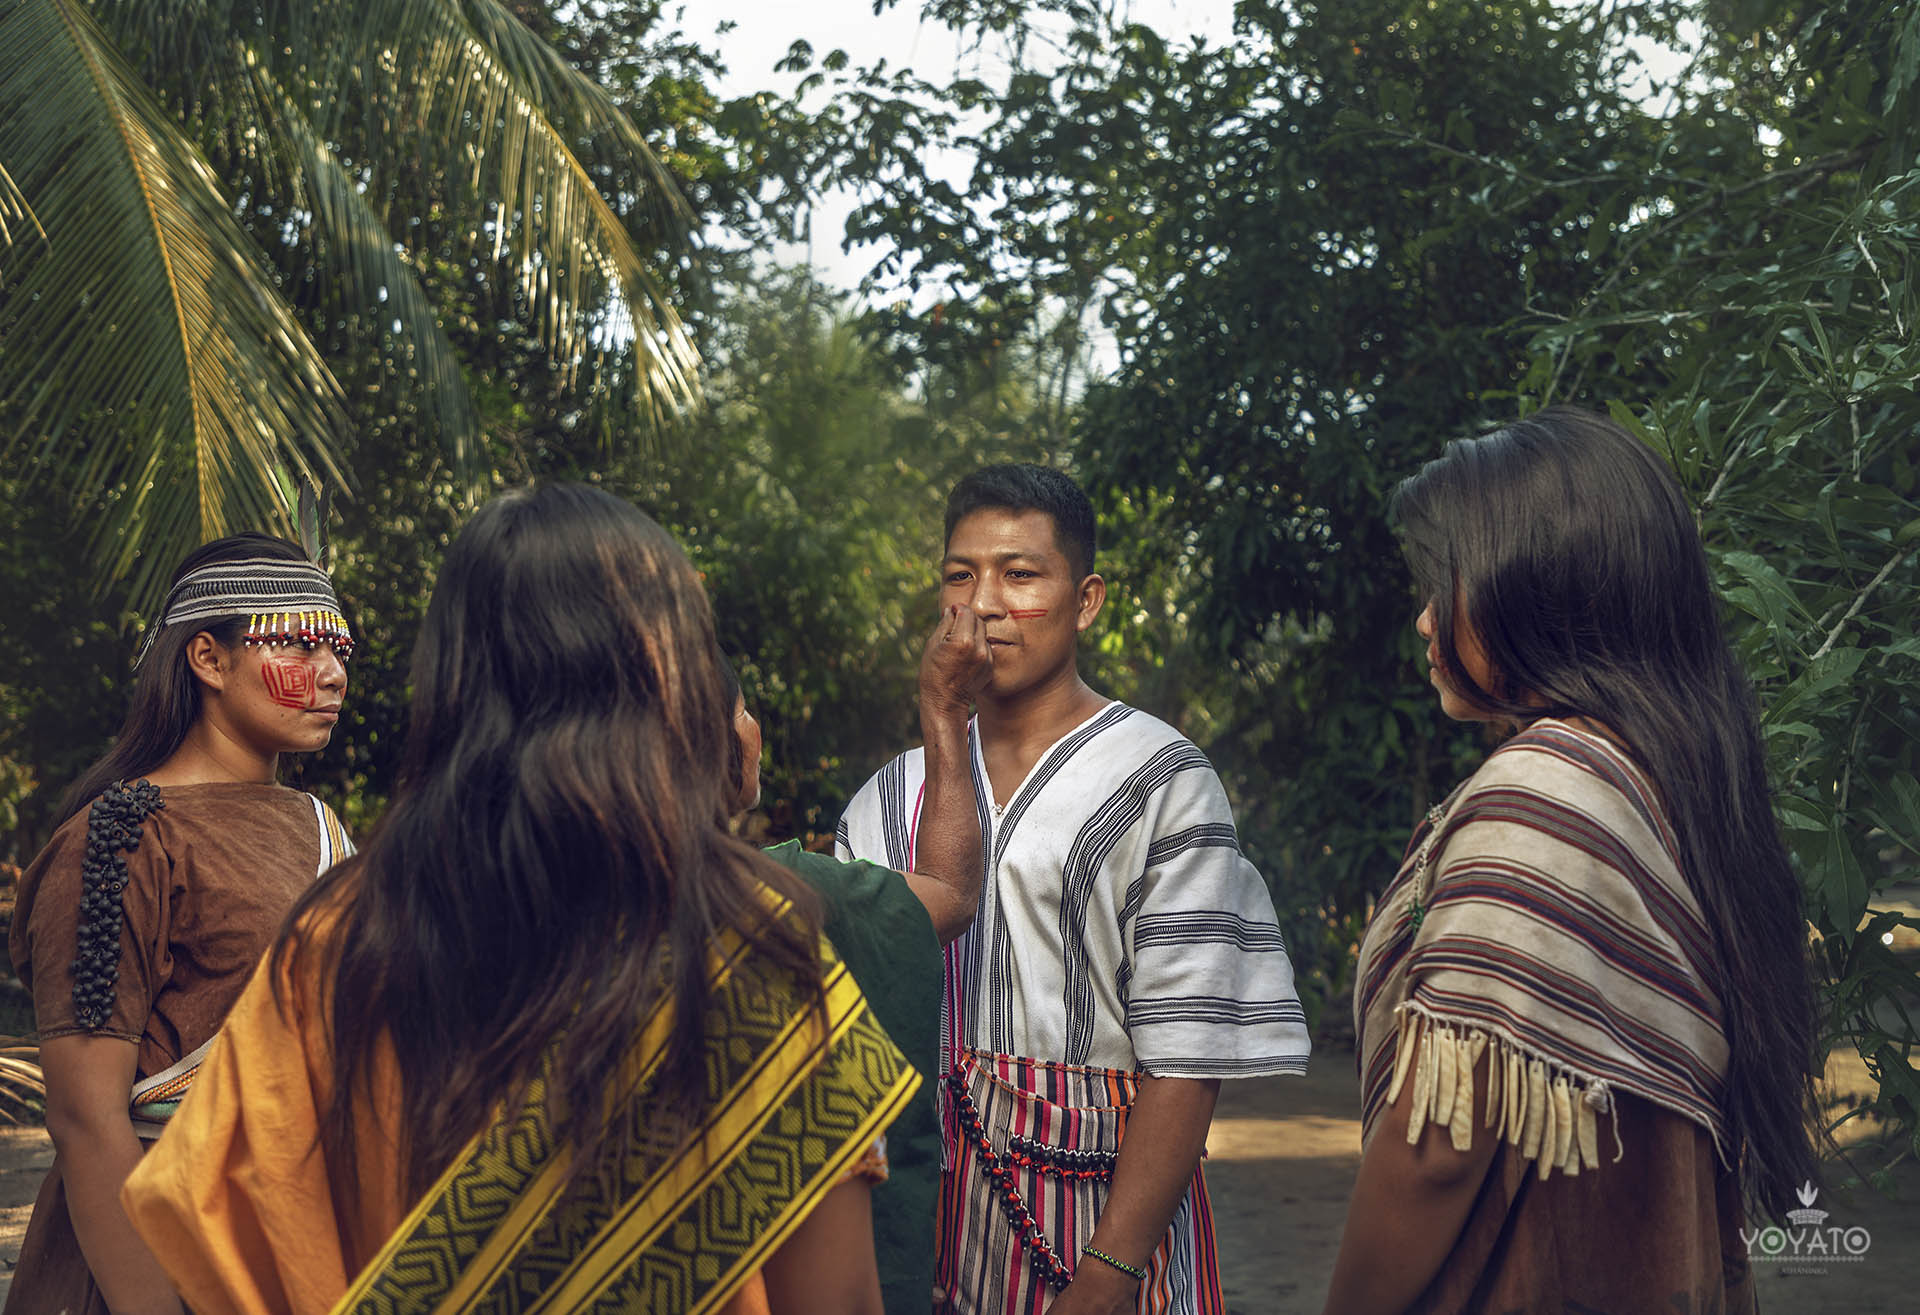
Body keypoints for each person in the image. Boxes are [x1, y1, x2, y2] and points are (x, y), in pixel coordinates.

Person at [121, 484, 921, 1315]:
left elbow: (237, 1241)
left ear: (453, 679)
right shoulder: (748, 946)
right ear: (666, 678)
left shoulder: (331, 939)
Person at [1323, 407, 1820, 1314]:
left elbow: (1437, 1146)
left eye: (1448, 583)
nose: (1425, 618)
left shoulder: (1545, 793)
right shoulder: (1666, 775)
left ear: (1541, 588)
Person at [838, 464, 1312, 1315]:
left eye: (1020, 575)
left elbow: (1186, 1051)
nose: (983, 603)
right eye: (960, 575)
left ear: (1085, 599)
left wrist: (1108, 1275)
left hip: (1095, 1231)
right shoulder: (883, 799)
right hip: (913, 1238)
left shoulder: (1161, 777)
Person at [7, 534, 355, 1315]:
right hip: (158, 1267)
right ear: (208, 658)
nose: (333, 672)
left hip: (302, 1255)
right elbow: (85, 1118)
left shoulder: (323, 826)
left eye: (338, 647)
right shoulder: (122, 838)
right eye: (299, 641)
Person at [724, 631, 987, 1314]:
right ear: (729, 747)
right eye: (743, 709)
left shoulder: (463, 914)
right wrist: (944, 706)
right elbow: (950, 891)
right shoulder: (781, 892)